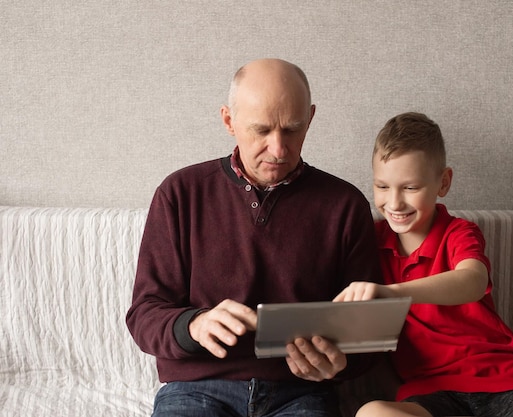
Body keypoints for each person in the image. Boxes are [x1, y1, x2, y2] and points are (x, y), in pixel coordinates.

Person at [126, 58, 382, 417]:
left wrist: (340, 364)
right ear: (229, 120)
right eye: (261, 130)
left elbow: (370, 330)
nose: (278, 150)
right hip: (196, 388)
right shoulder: (180, 193)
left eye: (292, 130)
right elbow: (144, 315)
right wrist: (194, 325)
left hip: (301, 392)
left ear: (309, 119)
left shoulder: (344, 204)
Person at [334, 112, 513, 417]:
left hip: (504, 380)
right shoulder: (370, 241)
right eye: (382, 186)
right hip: (430, 391)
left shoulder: (459, 232)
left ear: (443, 183)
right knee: (372, 413)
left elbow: (472, 280)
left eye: (410, 188)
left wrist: (392, 292)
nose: (394, 203)